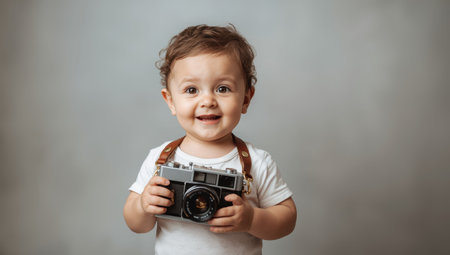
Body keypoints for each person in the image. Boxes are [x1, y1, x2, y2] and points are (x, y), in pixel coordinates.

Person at [123, 24, 297, 255]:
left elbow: (287, 220)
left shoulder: (257, 162)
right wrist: (144, 206)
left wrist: (252, 218)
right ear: (171, 101)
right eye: (192, 90)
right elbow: (136, 224)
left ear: (246, 99)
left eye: (223, 89)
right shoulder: (160, 159)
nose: (208, 101)